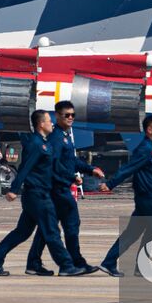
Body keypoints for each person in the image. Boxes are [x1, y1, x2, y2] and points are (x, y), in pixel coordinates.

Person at [0, 110, 91, 276]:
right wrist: (13, 190)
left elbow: (54, 167)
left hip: (39, 195)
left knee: (22, 232)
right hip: (37, 195)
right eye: (49, 121)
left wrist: (71, 177)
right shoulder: (35, 144)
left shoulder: (45, 143)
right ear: (41, 124)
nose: (52, 124)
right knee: (52, 231)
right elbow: (25, 167)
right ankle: (66, 266)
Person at [97, 115, 152, 277]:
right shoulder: (145, 149)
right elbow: (128, 169)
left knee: (133, 234)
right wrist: (110, 183)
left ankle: (110, 263)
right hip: (150, 200)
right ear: (150, 130)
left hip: (151, 198)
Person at [25, 101, 105, 275]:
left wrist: (90, 169)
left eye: (72, 115)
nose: (70, 118)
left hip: (60, 187)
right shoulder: (56, 137)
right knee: (70, 224)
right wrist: (72, 177)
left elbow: (71, 161)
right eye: (66, 115)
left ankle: (34, 262)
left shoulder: (65, 136)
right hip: (58, 188)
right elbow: (55, 164)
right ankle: (74, 262)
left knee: (48, 228)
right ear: (57, 116)